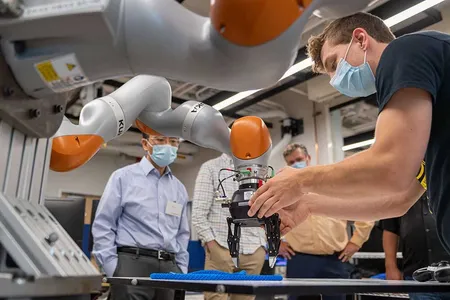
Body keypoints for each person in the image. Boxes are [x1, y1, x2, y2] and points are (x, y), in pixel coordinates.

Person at [247, 12, 450, 253]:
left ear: (361, 39)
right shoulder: (429, 125)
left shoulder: (403, 51)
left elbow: (390, 168)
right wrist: (309, 205)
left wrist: (300, 180)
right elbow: (399, 200)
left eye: (334, 64)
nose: (334, 80)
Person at [92, 133, 190, 300]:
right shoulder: (122, 177)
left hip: (169, 269)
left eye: (173, 141)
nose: (167, 146)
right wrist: (113, 268)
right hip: (131, 264)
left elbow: (182, 234)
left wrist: (180, 270)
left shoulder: (179, 188)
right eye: (160, 140)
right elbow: (104, 224)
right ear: (145, 144)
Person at [280, 144, 374, 300]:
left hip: (335, 260)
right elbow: (266, 215)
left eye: (299, 159)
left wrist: (356, 242)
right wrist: (276, 243)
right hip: (299, 260)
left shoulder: (331, 183)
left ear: (308, 158)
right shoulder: (284, 191)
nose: (296, 164)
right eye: (291, 162)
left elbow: (365, 209)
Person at [192, 153, 266, 300]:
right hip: (221, 247)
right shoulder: (211, 168)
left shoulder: (260, 170)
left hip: (254, 251)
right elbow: (198, 214)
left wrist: (263, 245)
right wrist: (211, 243)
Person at [380, 192, 450, 299]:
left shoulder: (444, 184)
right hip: (418, 275)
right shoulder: (399, 192)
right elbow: (390, 230)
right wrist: (390, 266)